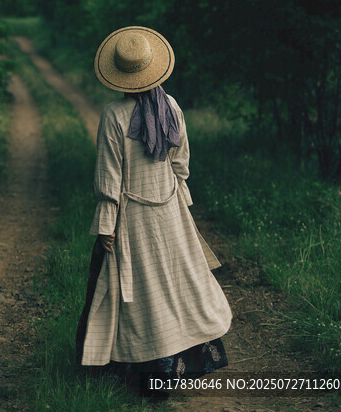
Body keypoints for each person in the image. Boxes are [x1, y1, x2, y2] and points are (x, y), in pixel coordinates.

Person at [75, 25, 232, 399]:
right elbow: (181, 167)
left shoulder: (114, 116)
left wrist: (106, 226)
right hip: (170, 211)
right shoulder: (172, 106)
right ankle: (178, 365)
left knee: (138, 289)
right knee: (176, 284)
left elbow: (109, 179)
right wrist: (179, 207)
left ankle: (140, 370)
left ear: (119, 75)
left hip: (132, 216)